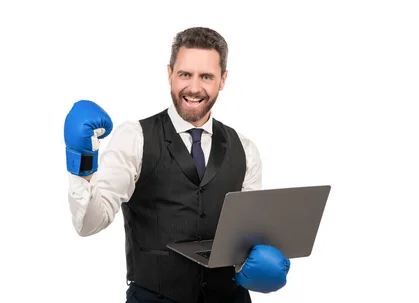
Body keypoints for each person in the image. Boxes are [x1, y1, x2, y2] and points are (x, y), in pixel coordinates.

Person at [64, 27, 291, 303]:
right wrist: (82, 163)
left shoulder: (245, 149)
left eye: (206, 76)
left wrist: (256, 261)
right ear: (170, 73)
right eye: (185, 74)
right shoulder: (135, 138)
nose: (194, 88)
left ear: (223, 80)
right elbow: (89, 223)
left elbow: (245, 237)